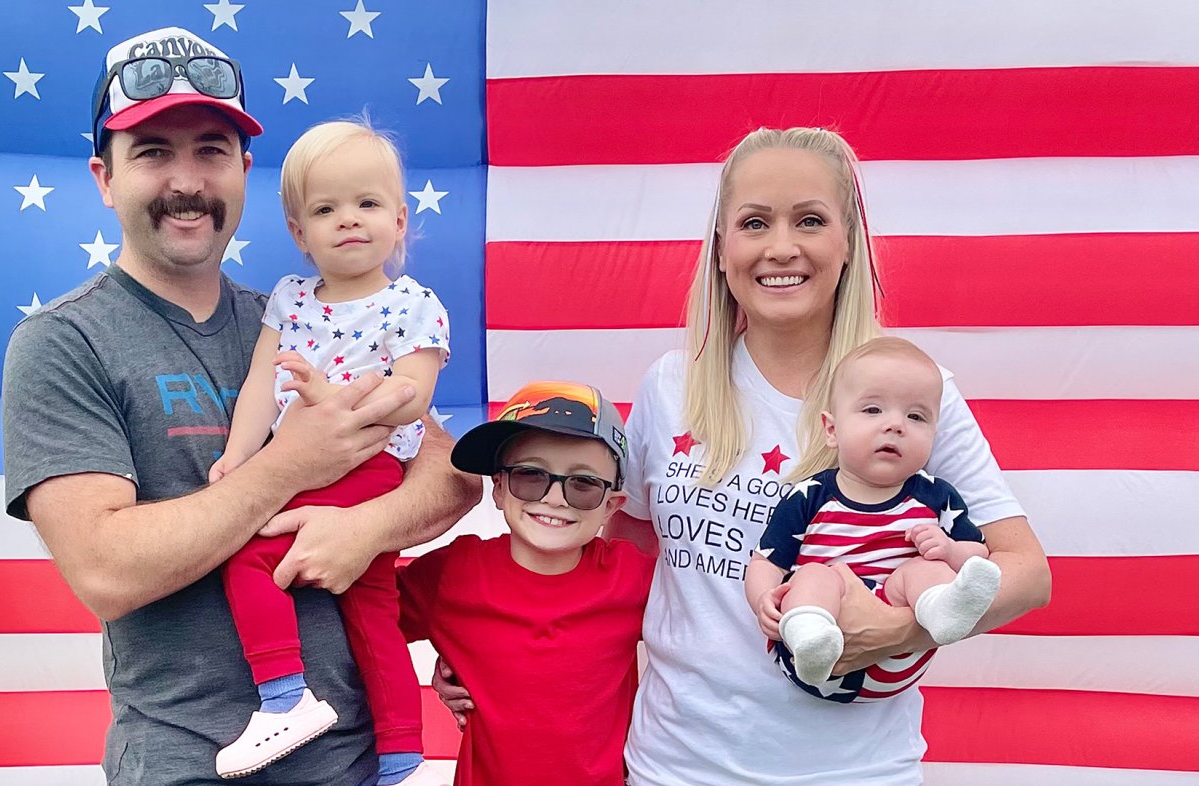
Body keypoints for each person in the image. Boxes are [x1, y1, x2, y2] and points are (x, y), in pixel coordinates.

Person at [433, 127, 1050, 784]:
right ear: (722, 249)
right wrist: (499, 654)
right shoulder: (670, 387)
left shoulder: (915, 396)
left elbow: (1028, 575)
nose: (781, 247)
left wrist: (900, 631)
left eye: (809, 220)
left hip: (853, 771)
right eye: (755, 223)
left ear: (847, 245)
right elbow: (616, 572)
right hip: (675, 766)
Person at [1, 27, 479, 786]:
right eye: (153, 151)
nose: (187, 179)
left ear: (245, 172)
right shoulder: (63, 341)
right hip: (183, 762)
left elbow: (451, 476)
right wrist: (289, 466)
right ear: (104, 177)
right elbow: (106, 568)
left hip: (353, 761)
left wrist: (365, 528)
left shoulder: (310, 319)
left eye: (211, 151)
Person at [211, 120, 450, 785]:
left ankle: (284, 697)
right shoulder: (289, 299)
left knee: (251, 559)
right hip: (300, 462)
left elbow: (413, 393)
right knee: (374, 612)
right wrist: (238, 457)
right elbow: (262, 381)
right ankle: (402, 761)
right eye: (326, 209)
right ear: (298, 232)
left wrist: (334, 402)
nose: (349, 221)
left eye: (367, 205)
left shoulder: (412, 304)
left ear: (400, 220)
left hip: (369, 466)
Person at [398, 381, 653, 785]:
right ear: (498, 488)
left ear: (611, 506)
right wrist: (449, 663)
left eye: (583, 484)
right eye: (530, 475)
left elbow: (697, 648)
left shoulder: (634, 578)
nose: (554, 498)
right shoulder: (453, 574)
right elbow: (364, 624)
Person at [746, 336, 1002, 696]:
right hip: (813, 658)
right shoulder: (810, 496)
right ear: (832, 430)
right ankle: (809, 630)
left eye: (916, 417)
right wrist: (763, 598)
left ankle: (943, 611)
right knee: (816, 575)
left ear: (934, 435)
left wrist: (948, 551)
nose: (895, 425)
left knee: (926, 570)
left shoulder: (936, 496)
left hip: (900, 653)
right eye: (872, 411)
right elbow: (765, 561)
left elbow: (979, 559)